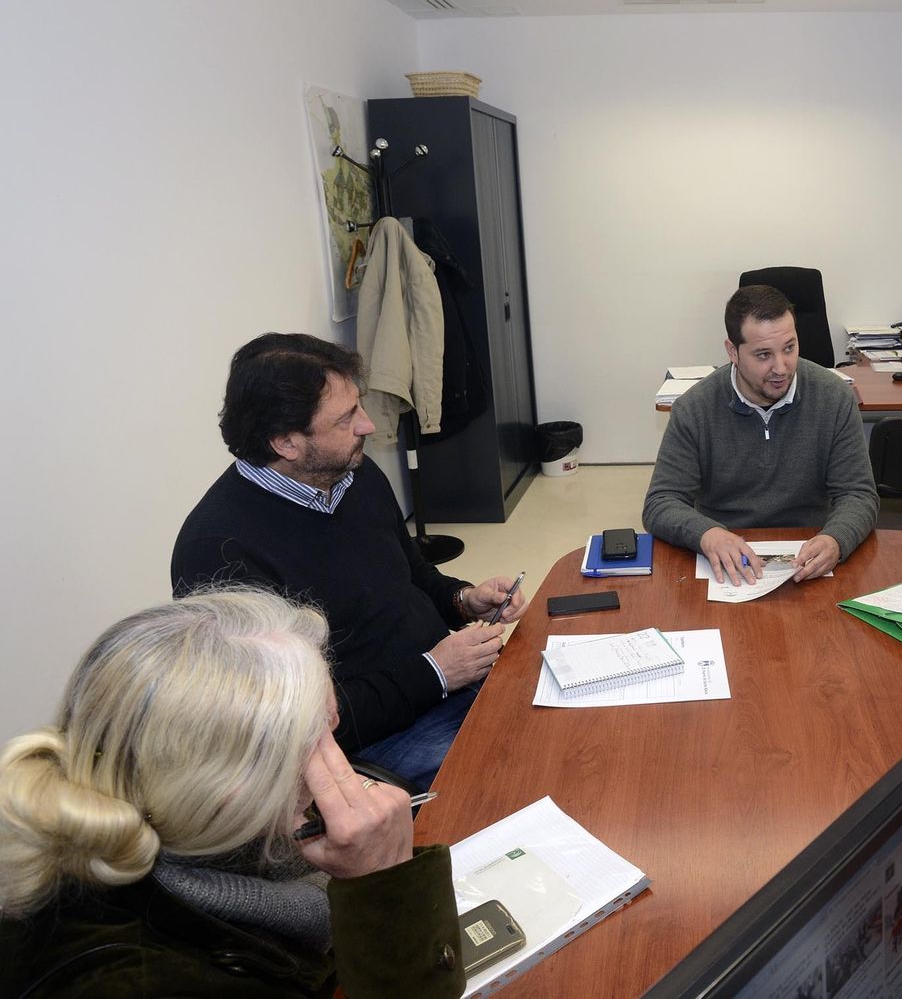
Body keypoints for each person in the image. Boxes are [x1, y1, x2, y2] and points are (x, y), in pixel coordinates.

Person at [0, 590, 465, 998]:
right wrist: (385, 888)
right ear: (229, 794)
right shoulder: (144, 982)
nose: (337, 756)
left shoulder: (191, 828)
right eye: (317, 738)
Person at [171, 333, 527, 789]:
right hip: (367, 746)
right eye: (345, 419)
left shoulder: (350, 473)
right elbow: (285, 722)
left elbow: (411, 577)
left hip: (445, 686)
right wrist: (434, 673)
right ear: (285, 443)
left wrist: (462, 599)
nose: (367, 426)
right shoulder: (218, 551)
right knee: (531, 766)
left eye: (358, 406)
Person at [643, 285, 879, 585]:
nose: (780, 367)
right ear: (733, 352)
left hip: (810, 553)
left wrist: (836, 539)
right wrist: (707, 534)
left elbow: (858, 494)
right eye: (764, 355)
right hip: (726, 559)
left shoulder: (833, 398)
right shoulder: (695, 408)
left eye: (789, 348)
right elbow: (661, 502)